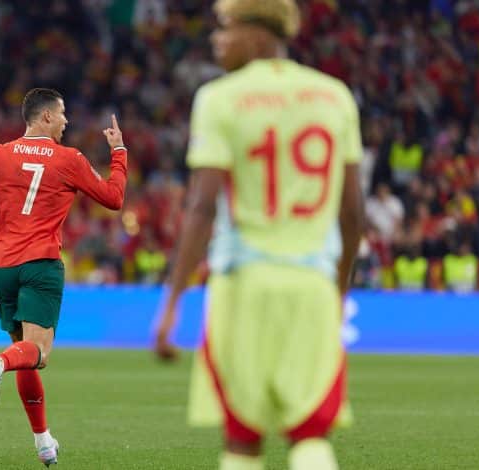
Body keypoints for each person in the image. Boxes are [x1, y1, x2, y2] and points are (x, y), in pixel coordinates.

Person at [152, 1, 364, 469]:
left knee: (243, 438)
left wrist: (171, 305)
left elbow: (203, 207)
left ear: (258, 31)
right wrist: (337, 291)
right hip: (312, 285)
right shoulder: (334, 96)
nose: (216, 40)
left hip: (242, 285)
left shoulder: (219, 98)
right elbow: (352, 213)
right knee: (311, 434)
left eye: (225, 28)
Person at [0, 88, 127, 467]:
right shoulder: (69, 159)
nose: (66, 121)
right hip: (41, 264)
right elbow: (114, 198)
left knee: (23, 353)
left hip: (3, 267)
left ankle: (43, 442)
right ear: (45, 117)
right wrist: (119, 152)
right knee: (37, 353)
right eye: (62, 114)